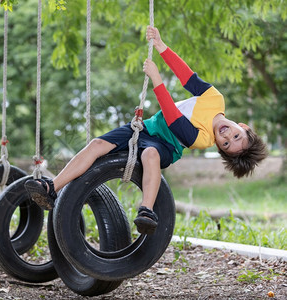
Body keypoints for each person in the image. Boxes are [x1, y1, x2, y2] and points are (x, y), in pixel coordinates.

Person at [24, 26, 268, 235]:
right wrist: (161, 46)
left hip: (166, 144)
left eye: (226, 144)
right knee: (97, 145)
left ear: (217, 146)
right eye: (235, 135)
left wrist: (157, 79)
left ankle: (147, 211)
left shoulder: (203, 139)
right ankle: (52, 188)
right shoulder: (215, 98)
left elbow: (173, 119)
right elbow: (187, 77)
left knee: (149, 155)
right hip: (145, 128)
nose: (226, 136)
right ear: (242, 126)